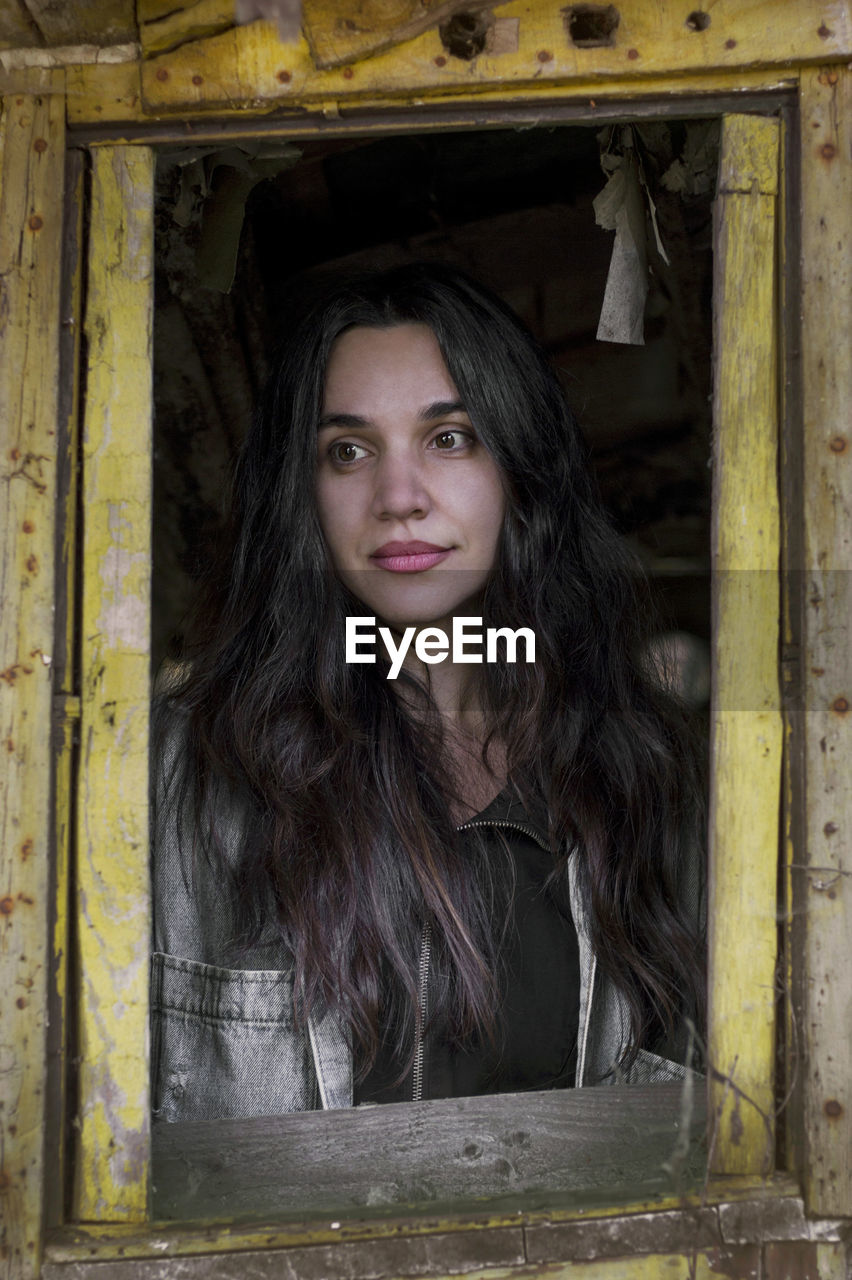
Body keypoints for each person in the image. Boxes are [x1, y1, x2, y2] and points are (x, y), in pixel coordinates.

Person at [151, 261, 705, 1123]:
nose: (399, 499)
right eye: (349, 451)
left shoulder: (644, 771)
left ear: (520, 467)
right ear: (303, 494)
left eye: (449, 438)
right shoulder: (177, 773)